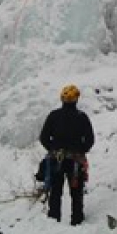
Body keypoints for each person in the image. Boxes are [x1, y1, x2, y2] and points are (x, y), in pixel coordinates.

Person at [39, 85, 95, 225]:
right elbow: (90, 140)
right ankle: (77, 220)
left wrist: (53, 149)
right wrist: (81, 151)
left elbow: (44, 137)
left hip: (56, 159)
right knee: (76, 192)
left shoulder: (54, 116)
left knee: (55, 192)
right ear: (76, 99)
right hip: (75, 160)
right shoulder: (82, 117)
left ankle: (53, 220)